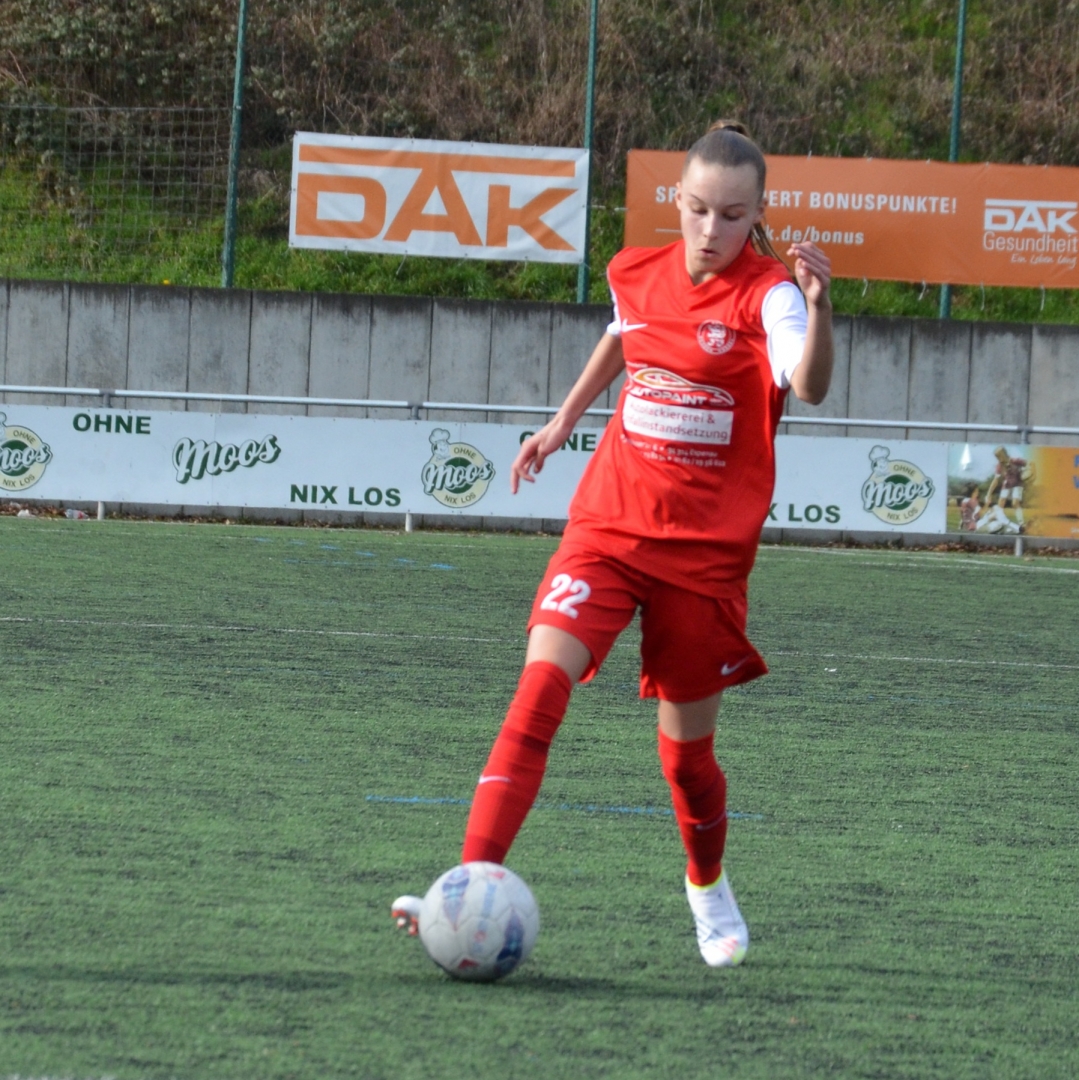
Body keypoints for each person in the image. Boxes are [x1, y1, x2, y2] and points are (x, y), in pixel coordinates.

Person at [393, 121, 834, 968]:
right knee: (537, 689)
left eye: (731, 215)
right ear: (678, 200)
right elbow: (623, 333)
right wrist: (561, 421)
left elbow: (806, 384)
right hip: (607, 527)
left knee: (685, 759)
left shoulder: (770, 296)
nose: (710, 229)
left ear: (757, 214)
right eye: (697, 209)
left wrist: (818, 309)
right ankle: (468, 884)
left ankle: (705, 884)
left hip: (704, 559)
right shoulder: (635, 269)